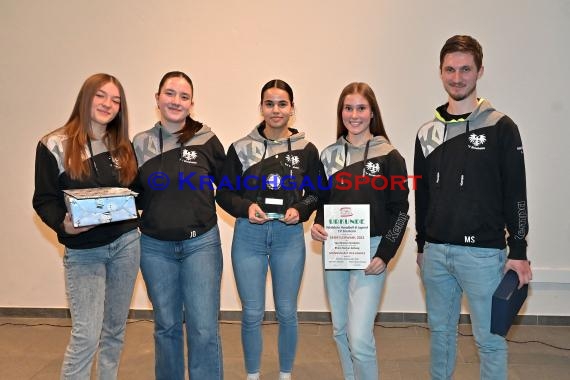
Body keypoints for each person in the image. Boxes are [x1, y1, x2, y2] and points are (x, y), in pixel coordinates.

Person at [414, 35, 532, 379]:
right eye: (450, 69)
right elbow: (422, 196)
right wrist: (422, 245)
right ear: (440, 73)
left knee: (491, 340)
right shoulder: (427, 133)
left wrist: (519, 249)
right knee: (441, 336)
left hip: (483, 256)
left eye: (465, 69)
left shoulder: (501, 127)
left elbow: (517, 194)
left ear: (480, 71)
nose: (457, 77)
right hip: (435, 253)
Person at [33, 73, 140, 379]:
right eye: (101, 96)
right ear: (85, 97)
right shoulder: (54, 144)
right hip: (83, 254)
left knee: (115, 331)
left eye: (116, 100)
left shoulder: (122, 145)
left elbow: (136, 190)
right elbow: (44, 199)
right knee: (86, 336)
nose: (109, 104)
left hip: (127, 245)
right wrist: (62, 224)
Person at [216, 79, 320, 380]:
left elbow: (317, 194)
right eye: (269, 103)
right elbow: (223, 193)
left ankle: (285, 374)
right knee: (251, 313)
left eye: (282, 103)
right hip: (249, 236)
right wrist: (245, 208)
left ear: (292, 108)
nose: (276, 110)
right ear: (261, 107)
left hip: (288, 238)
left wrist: (300, 210)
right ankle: (253, 374)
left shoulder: (306, 149)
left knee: (287, 312)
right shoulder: (240, 148)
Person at [311, 82, 410, 380]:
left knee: (360, 337)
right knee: (340, 330)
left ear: (372, 112)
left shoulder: (390, 156)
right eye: (348, 108)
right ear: (341, 112)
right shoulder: (328, 155)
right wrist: (317, 223)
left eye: (361, 108)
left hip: (371, 252)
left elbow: (401, 211)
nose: (354, 115)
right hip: (336, 250)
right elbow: (323, 200)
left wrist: (385, 254)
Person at [132, 71, 225, 380]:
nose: (176, 101)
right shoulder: (140, 143)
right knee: (166, 326)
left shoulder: (207, 139)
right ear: (157, 98)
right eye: (170, 93)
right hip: (155, 248)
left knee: (203, 327)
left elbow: (229, 187)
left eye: (184, 96)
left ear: (192, 103)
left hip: (201, 245)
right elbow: (132, 195)